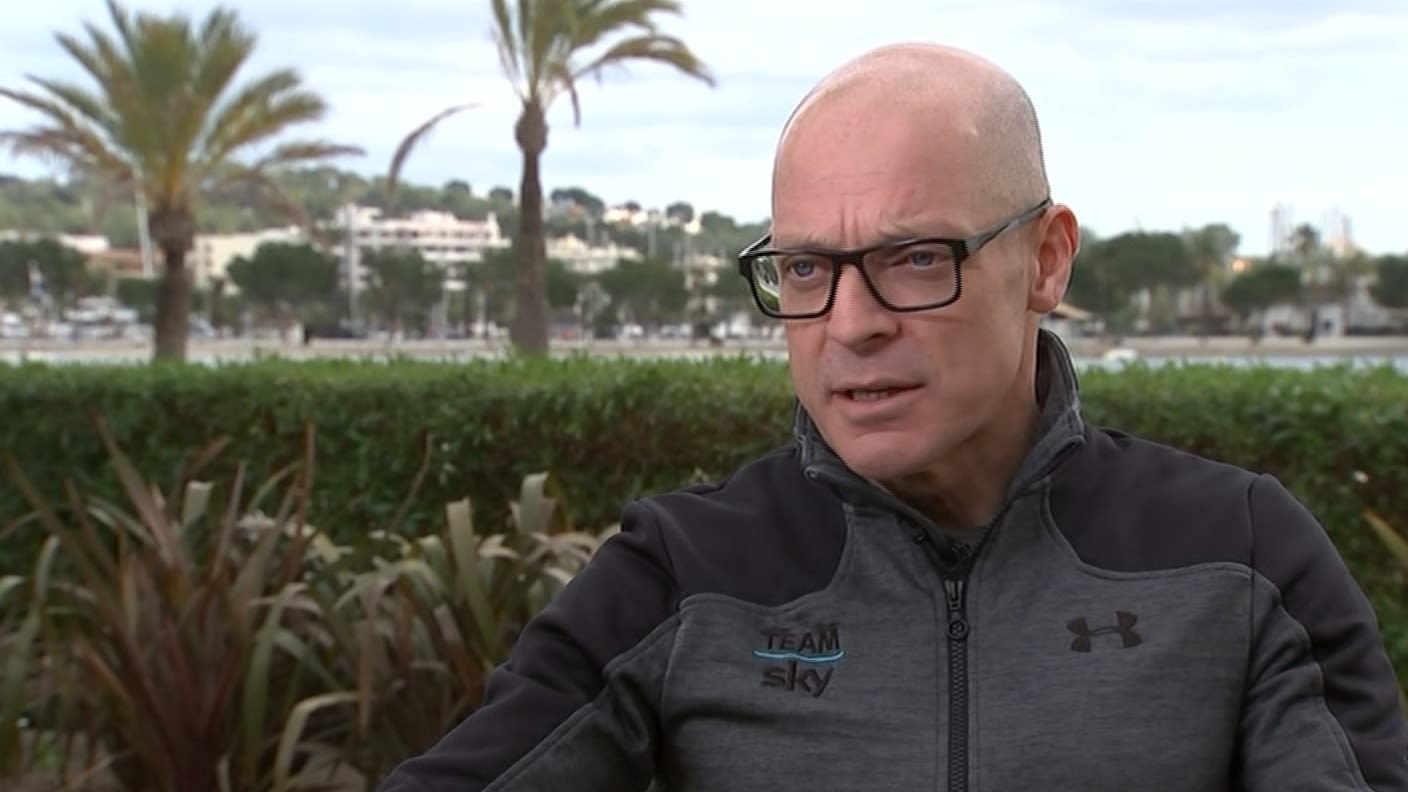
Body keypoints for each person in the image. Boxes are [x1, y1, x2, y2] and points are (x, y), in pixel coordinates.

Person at [378, 42, 1408, 791]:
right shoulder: (682, 574)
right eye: (805, 269)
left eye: (915, 258)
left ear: (1046, 260)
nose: (850, 324)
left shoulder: (1243, 557)